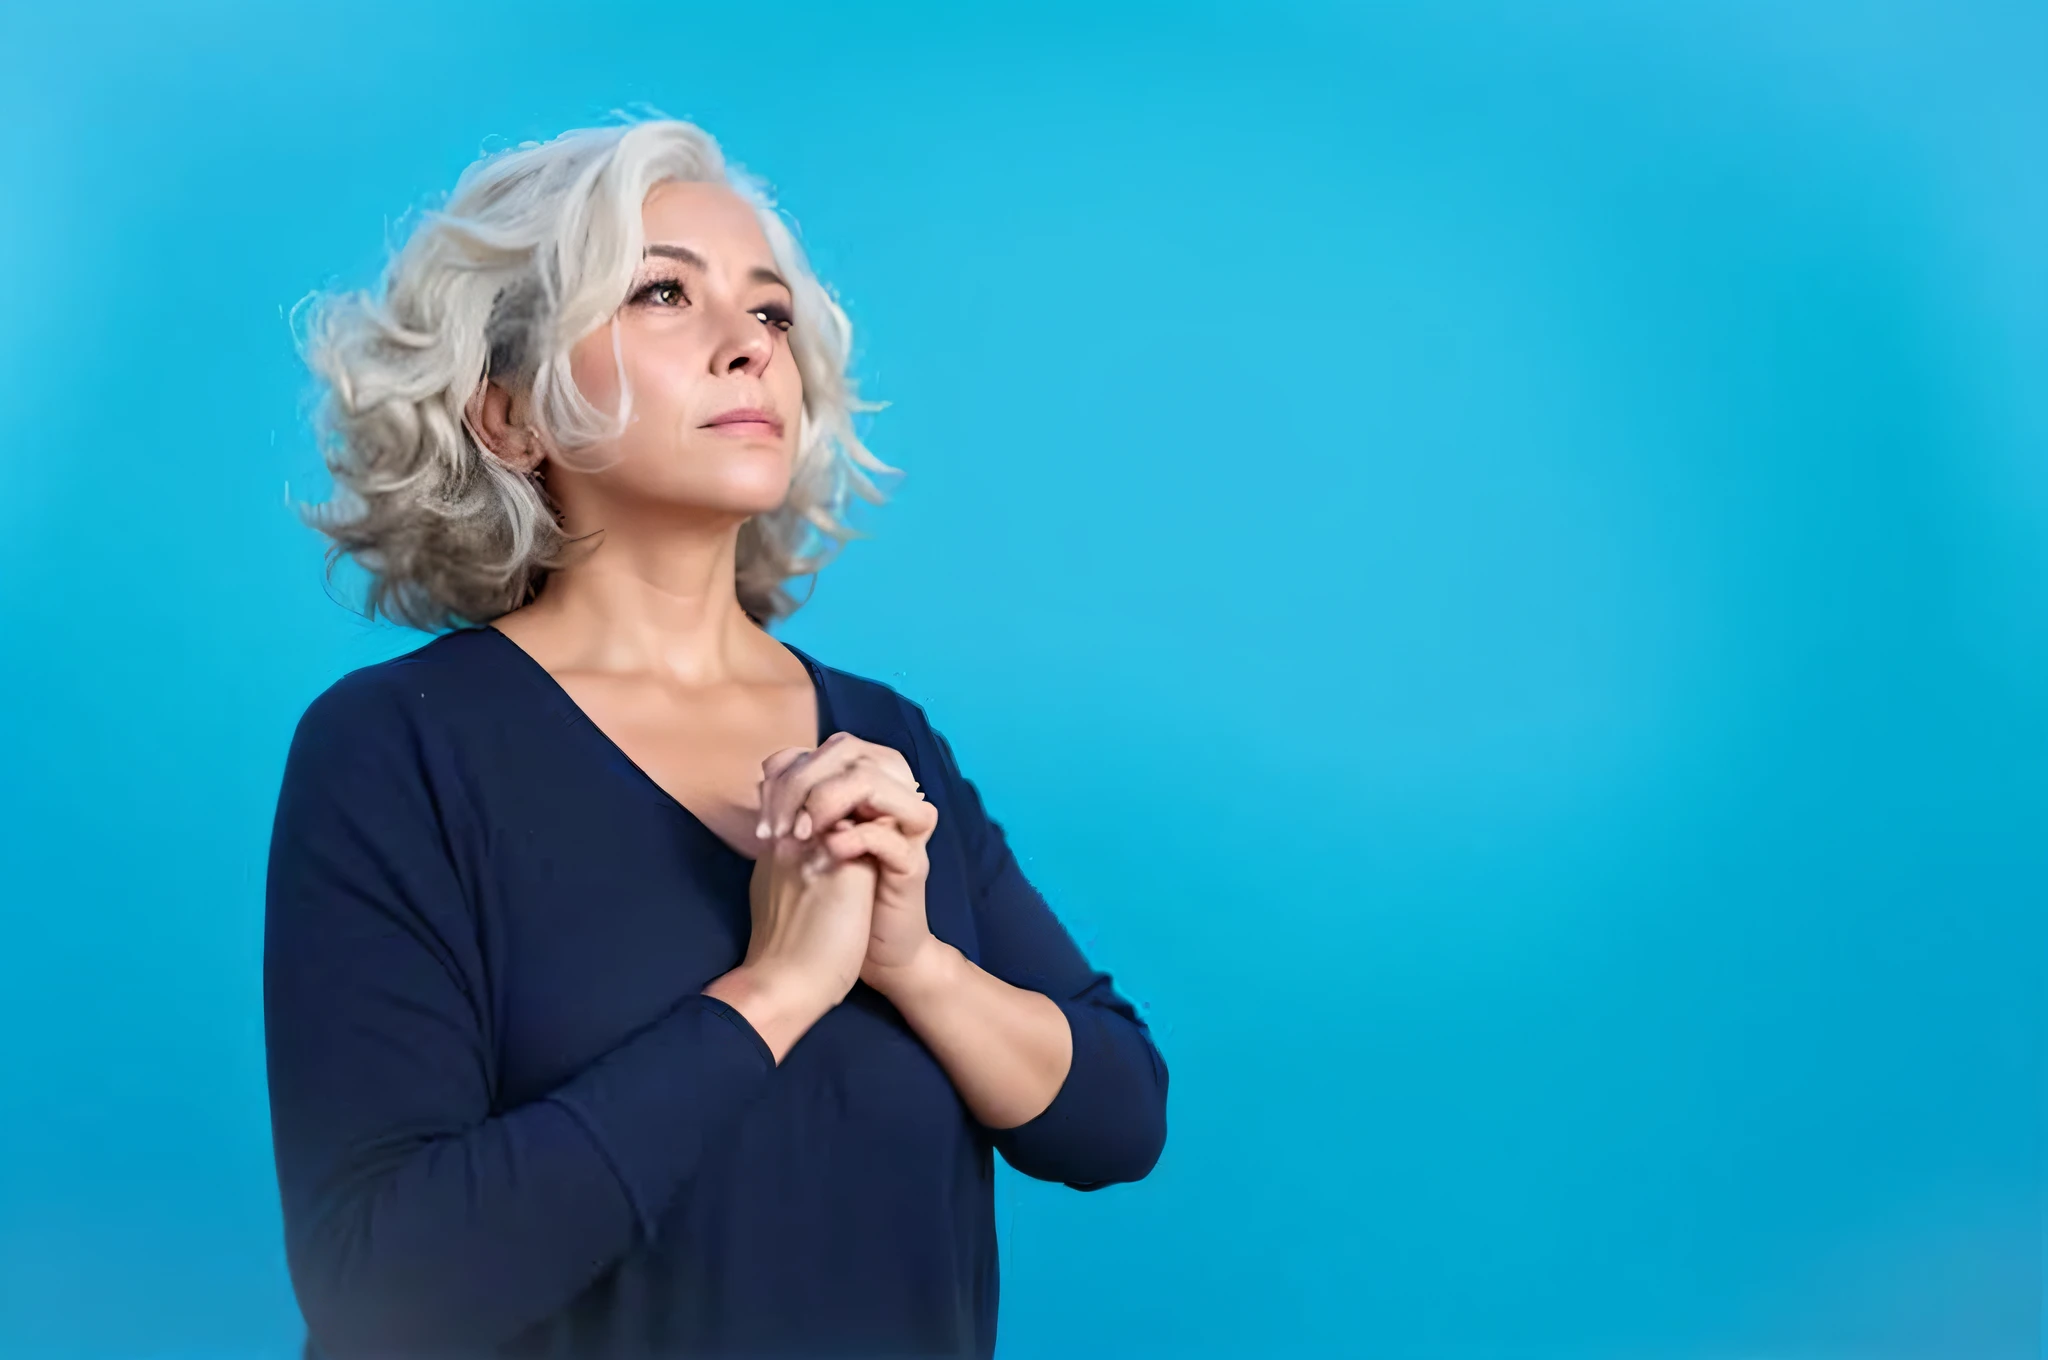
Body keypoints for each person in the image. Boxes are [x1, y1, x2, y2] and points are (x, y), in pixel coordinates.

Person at [263, 116, 1168, 1360]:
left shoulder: (883, 741)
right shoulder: (394, 749)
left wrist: (914, 965)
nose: (746, 344)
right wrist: (774, 990)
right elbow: (382, 1284)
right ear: (510, 413)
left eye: (771, 314)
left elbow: (1117, 1119)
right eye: (661, 293)